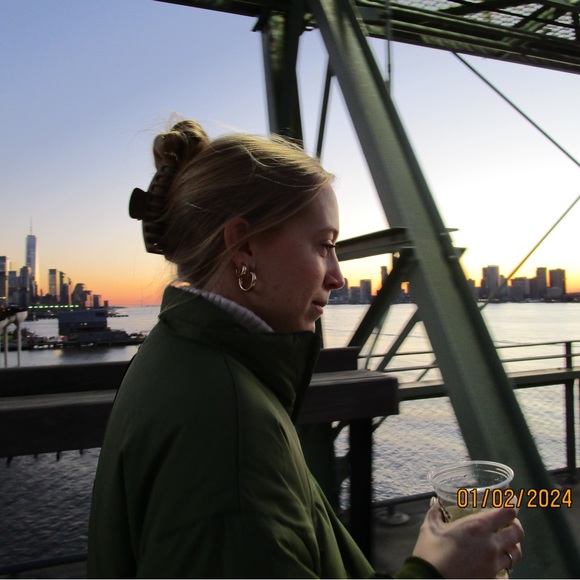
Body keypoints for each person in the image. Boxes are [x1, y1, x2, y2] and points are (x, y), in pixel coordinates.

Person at [87, 120, 524, 578]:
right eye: (324, 246)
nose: (337, 276)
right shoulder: (229, 431)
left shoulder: (179, 355)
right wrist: (440, 572)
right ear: (244, 247)